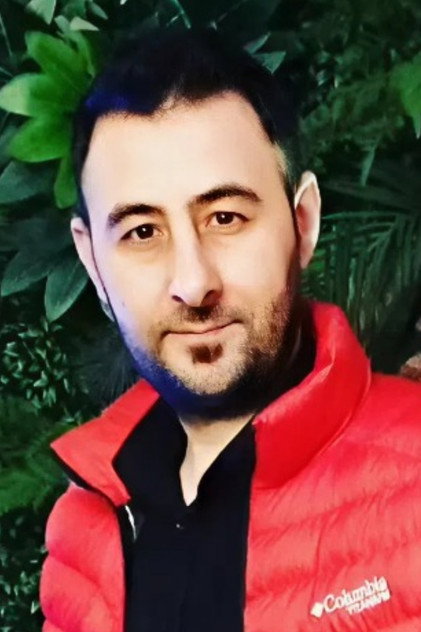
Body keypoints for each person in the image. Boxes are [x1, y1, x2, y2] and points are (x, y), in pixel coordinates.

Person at [40, 27, 421, 632]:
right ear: (92, 262)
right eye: (142, 232)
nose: (194, 283)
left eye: (225, 217)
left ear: (303, 223)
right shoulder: (82, 530)